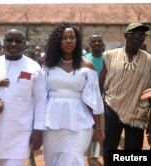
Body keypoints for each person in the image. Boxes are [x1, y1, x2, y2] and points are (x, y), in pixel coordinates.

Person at [0, 28, 47, 166]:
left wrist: (38, 130)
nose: (13, 44)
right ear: (4, 43)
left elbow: (41, 99)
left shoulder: (34, 68)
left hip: (20, 134)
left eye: (18, 41)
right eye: (9, 40)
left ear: (25, 44)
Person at [43, 23, 104, 166]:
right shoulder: (48, 66)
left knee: (73, 159)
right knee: (53, 162)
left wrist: (99, 129)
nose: (69, 41)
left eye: (72, 37)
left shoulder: (87, 66)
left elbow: (95, 100)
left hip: (81, 123)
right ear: (58, 41)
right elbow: (41, 97)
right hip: (52, 124)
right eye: (64, 38)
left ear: (77, 41)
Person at [99, 22, 151, 166]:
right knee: (109, 147)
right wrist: (98, 111)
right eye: (135, 34)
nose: (139, 38)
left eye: (143, 35)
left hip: (136, 112)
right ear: (126, 36)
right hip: (112, 109)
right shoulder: (109, 56)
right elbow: (100, 84)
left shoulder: (149, 60)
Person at [84, 33, 105, 166]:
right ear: (90, 44)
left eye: (99, 41)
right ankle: (89, 157)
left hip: (104, 101)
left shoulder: (108, 59)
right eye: (94, 41)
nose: (97, 43)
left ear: (102, 44)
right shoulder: (84, 59)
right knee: (88, 129)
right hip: (87, 102)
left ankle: (94, 158)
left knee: (99, 129)